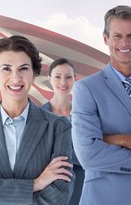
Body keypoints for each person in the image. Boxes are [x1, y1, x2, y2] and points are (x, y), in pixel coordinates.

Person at [0, 35, 74, 204]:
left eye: (23, 68)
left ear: (34, 74)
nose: (16, 78)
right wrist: (36, 184)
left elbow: (59, 195)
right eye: (6, 68)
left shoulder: (58, 127)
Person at [71, 5, 131, 205]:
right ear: (105, 39)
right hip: (106, 197)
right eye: (117, 36)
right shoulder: (85, 89)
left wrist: (120, 139)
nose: (124, 43)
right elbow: (89, 154)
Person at [41, 58, 84, 205]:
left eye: (68, 77)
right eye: (58, 77)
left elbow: (92, 149)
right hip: (47, 188)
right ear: (50, 79)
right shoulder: (36, 115)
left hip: (81, 185)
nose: (63, 82)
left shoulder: (86, 114)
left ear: (74, 79)